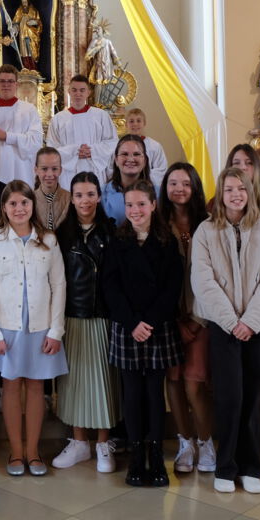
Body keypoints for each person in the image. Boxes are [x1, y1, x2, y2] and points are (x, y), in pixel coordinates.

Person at [192, 168, 260, 493]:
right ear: (221, 193)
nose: (235, 195)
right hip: (224, 326)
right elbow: (203, 281)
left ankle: (250, 467)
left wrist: (251, 321)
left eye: (241, 189)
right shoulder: (205, 230)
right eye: (229, 189)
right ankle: (225, 467)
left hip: (257, 326)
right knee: (230, 397)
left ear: (250, 192)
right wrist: (232, 322)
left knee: (252, 398)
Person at [0, 181, 68, 476]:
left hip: (40, 325)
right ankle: (16, 451)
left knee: (35, 387)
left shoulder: (49, 240)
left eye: (24, 203)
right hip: (7, 326)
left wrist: (56, 331)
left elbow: (58, 285)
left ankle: (33, 452)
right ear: (4, 208)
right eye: (13, 204)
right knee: (11, 386)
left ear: (33, 205)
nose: (19, 209)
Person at [104, 180, 183, 487]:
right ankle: (136, 458)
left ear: (153, 205)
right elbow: (111, 287)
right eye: (130, 205)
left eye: (141, 204)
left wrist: (148, 321)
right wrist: (132, 322)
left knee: (154, 394)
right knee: (132, 395)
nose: (135, 210)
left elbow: (171, 287)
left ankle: (157, 457)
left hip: (157, 326)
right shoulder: (118, 240)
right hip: (128, 327)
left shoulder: (166, 240)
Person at [51, 172, 119, 473]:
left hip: (103, 316)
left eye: (90, 194)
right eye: (79, 195)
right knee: (74, 383)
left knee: (105, 383)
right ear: (72, 198)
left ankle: (104, 444)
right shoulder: (61, 235)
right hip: (72, 316)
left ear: (99, 196)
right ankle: (79, 443)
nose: (85, 201)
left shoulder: (112, 232)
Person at [160, 163, 215, 475]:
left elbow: (216, 278)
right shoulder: (159, 225)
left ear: (194, 187)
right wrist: (174, 319)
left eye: (185, 183)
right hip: (170, 320)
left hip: (201, 318)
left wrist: (196, 320)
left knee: (195, 384)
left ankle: (206, 441)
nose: (178, 189)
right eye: (173, 183)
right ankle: (185, 441)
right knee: (174, 381)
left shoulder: (208, 225)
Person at [45, 75, 117, 189]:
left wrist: (93, 151)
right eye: (74, 90)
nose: (78, 94)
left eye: (82, 90)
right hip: (68, 173)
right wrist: (74, 151)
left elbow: (112, 142)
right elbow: (52, 148)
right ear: (69, 91)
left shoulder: (101, 116)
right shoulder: (58, 119)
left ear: (88, 92)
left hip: (95, 169)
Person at [101, 134, 151, 225]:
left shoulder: (158, 193)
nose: (130, 159)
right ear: (116, 160)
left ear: (144, 161)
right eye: (124, 154)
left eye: (136, 154)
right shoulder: (102, 193)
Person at [117, 108, 166, 190]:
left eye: (138, 121)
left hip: (148, 187)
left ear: (144, 123)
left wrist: (140, 177)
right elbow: (113, 168)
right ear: (126, 124)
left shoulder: (155, 146)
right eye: (131, 121)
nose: (135, 124)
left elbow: (161, 170)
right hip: (124, 187)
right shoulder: (119, 146)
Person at [33, 147, 70, 231]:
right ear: (36, 170)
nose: (49, 174)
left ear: (60, 170)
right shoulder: (30, 199)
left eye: (54, 169)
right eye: (44, 169)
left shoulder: (70, 199)